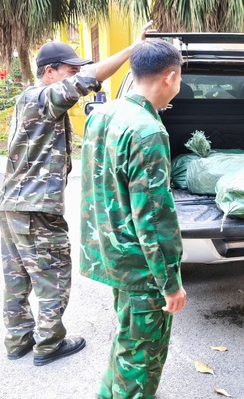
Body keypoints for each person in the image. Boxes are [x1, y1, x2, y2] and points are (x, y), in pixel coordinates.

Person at [0, 22, 154, 366]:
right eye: (70, 71)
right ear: (49, 72)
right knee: (52, 274)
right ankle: (49, 344)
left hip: (13, 205)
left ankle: (18, 340)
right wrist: (133, 49)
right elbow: (87, 81)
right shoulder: (42, 98)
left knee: (17, 276)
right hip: (36, 208)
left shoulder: (31, 100)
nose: (76, 75)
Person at [79, 38, 187, 398]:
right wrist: (169, 282)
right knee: (143, 357)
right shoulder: (147, 131)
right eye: (180, 77)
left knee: (129, 340)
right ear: (170, 77)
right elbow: (153, 219)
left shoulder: (103, 114)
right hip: (141, 267)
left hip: (110, 252)